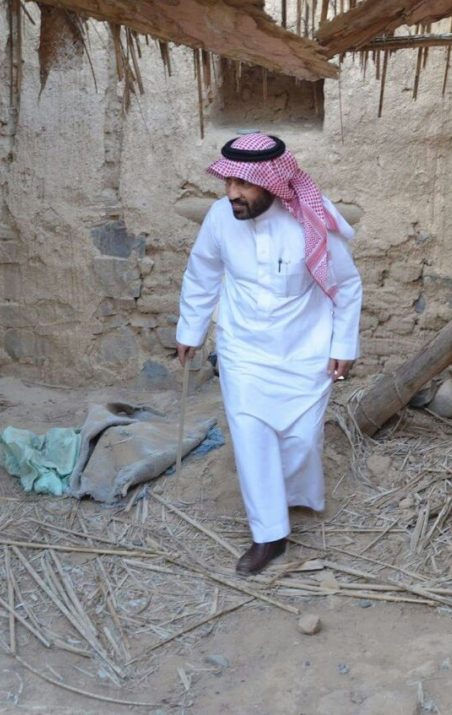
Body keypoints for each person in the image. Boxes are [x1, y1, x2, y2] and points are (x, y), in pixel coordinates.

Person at [175, 133, 363, 576]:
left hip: (305, 347)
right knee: (251, 435)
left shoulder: (311, 219)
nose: (232, 193)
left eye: (243, 184)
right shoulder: (220, 218)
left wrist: (343, 344)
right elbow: (202, 273)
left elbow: (347, 284)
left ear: (272, 184)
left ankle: (291, 498)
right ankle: (269, 535)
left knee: (301, 438)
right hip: (242, 347)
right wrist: (191, 330)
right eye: (228, 182)